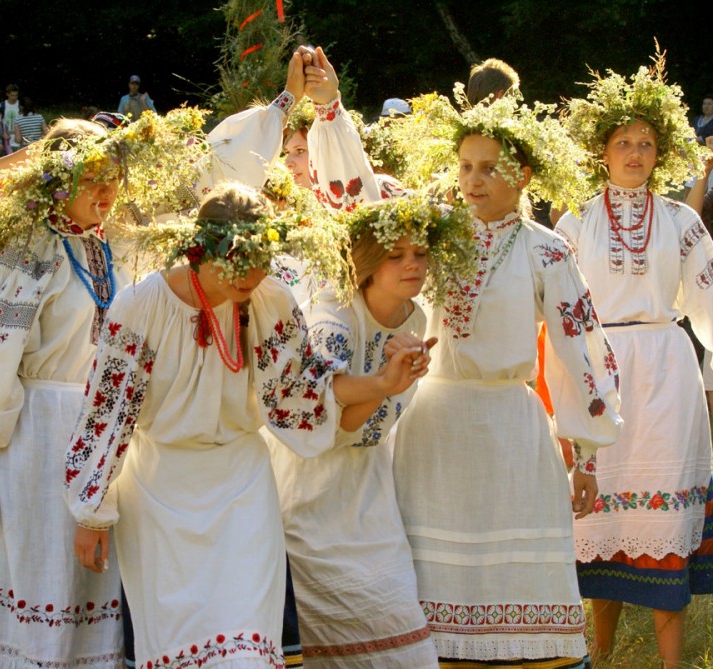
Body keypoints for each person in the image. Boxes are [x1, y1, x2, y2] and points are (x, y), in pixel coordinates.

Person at [304, 47, 623, 666]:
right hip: (435, 425)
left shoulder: (547, 250)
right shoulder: (432, 232)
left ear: (525, 174)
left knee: (517, 589)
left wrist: (585, 455)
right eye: (465, 166)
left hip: (511, 430)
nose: (472, 180)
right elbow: (365, 205)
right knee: (430, 596)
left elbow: (578, 350)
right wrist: (331, 111)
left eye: (489, 168)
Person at [66, 180, 428, 669]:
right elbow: (107, 415)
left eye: (261, 260)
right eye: (238, 261)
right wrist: (91, 512)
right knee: (177, 647)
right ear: (199, 250)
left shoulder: (270, 299)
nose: (252, 275)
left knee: (248, 649)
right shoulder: (141, 306)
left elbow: (304, 388)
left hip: (241, 485)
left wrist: (381, 383)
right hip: (159, 493)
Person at [0, 121, 126, 669]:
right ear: (59, 183)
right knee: (40, 580)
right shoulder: (31, 250)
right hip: (36, 437)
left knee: (94, 590)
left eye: (113, 178)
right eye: (92, 179)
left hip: (102, 434)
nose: (106, 192)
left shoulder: (115, 247)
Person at [268, 194, 473, 668]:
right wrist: (385, 384)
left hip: (369, 486)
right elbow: (331, 422)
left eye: (420, 253)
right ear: (368, 261)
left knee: (399, 621)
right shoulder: (333, 311)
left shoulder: (416, 317)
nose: (412, 265)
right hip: (311, 485)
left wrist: (392, 383)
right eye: (396, 254)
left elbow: (375, 419)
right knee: (329, 631)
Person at [561, 53, 713, 669]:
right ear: (602, 149)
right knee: (600, 524)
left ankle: (672, 663)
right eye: (622, 141)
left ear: (663, 151)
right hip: (599, 371)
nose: (634, 152)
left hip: (666, 369)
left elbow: (708, 301)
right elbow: (555, 308)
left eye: (646, 143)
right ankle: (599, 657)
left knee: (663, 516)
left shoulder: (684, 224)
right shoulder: (573, 223)